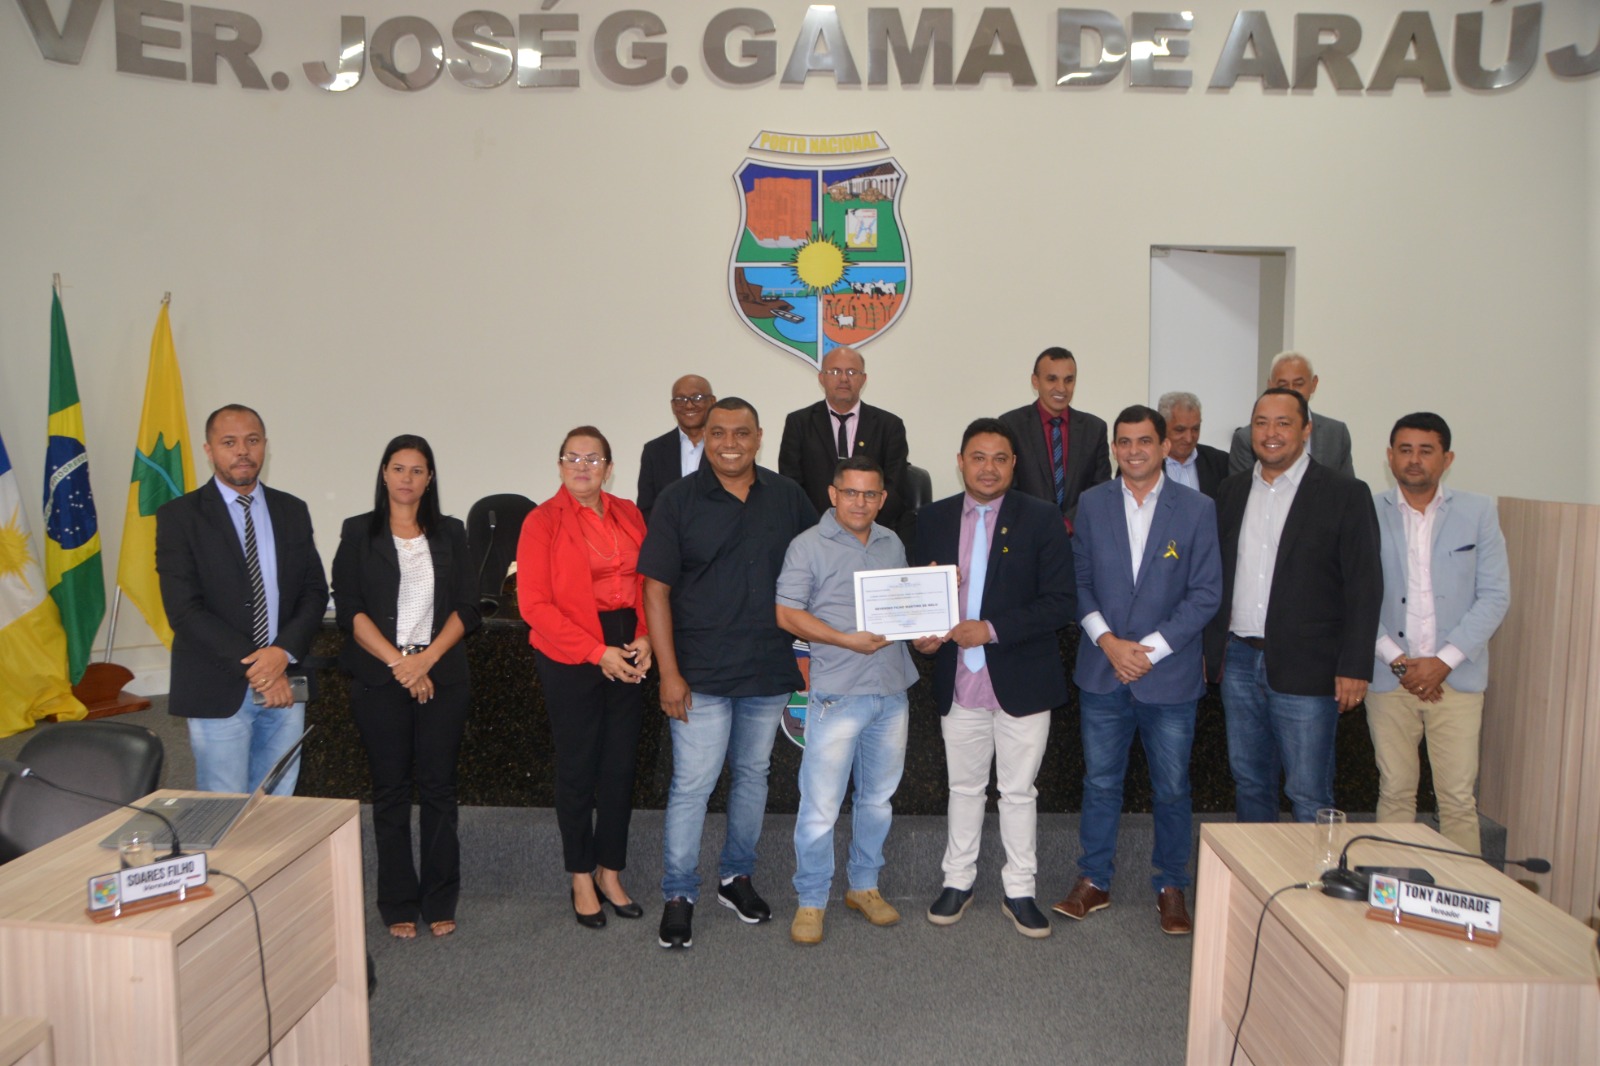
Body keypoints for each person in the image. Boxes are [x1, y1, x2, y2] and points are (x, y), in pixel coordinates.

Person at [639, 398, 817, 949]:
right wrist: (669, 674)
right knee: (692, 785)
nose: (730, 443)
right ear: (705, 438)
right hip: (699, 673)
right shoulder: (677, 500)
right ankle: (678, 893)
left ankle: (736, 877)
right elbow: (655, 591)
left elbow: (822, 564)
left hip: (766, 667)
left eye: (742, 433)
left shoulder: (788, 496)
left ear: (759, 437)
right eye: (719, 433)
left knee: (753, 776)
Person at [1051, 406, 1221, 936]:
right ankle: (1094, 880)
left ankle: (1171, 885)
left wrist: (1148, 651)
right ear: (1114, 449)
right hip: (1103, 670)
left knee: (1171, 788)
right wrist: (1108, 643)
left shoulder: (1196, 508)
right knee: (1101, 783)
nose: (1133, 450)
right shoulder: (1093, 502)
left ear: (1165, 446)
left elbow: (1206, 593)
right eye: (1123, 442)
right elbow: (1078, 581)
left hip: (1167, 675)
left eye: (1144, 440)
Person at [912, 417, 1076, 938]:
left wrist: (990, 629)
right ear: (960, 462)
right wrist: (922, 636)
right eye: (978, 458)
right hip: (958, 680)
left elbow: (1061, 602)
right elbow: (917, 597)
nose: (989, 468)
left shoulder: (1042, 518)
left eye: (1000, 459)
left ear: (1014, 464)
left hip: (1022, 679)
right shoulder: (930, 519)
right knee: (963, 787)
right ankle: (957, 881)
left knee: (1019, 791)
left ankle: (1020, 890)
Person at [1207, 389, 1382, 822]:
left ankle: (1315, 870)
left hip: (1310, 667)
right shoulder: (1230, 491)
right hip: (1238, 661)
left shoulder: (1344, 493)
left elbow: (1364, 585)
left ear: (1306, 430)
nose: (1271, 432)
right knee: (1249, 782)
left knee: (1308, 793)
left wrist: (1355, 666)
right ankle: (1255, 870)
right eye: (1261, 423)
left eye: (1283, 423)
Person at [332, 435, 479, 940]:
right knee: (390, 791)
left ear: (429, 478)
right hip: (381, 675)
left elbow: (468, 607)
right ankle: (396, 899)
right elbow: (349, 609)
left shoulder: (451, 532)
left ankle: (440, 897)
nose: (407, 479)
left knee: (439, 789)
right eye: (398, 468)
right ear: (384, 473)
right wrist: (401, 664)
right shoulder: (358, 531)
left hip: (441, 675)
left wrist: (426, 661)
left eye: (417, 470)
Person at [775, 456, 918, 945]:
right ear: (833, 495)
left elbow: (903, 608)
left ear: (882, 499)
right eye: (851, 492)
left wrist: (931, 606)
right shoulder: (807, 545)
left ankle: (864, 886)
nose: (860, 502)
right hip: (837, 693)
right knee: (820, 806)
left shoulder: (891, 542)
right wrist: (844, 640)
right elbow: (787, 614)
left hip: (892, 691)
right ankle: (812, 900)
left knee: (877, 800)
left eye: (870, 494)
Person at [518, 427, 653, 929]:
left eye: (593, 459)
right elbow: (534, 605)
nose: (582, 466)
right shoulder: (541, 521)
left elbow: (649, 582)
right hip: (570, 651)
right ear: (559, 466)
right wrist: (597, 653)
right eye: (572, 458)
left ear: (609, 468)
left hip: (628, 644)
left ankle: (609, 872)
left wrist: (647, 637)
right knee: (578, 768)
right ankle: (580, 874)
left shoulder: (629, 514)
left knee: (619, 766)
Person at [156, 404, 326, 796]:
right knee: (225, 804)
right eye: (229, 443)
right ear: (209, 450)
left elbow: (314, 591)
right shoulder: (179, 517)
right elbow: (184, 609)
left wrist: (281, 653)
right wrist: (260, 666)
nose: (243, 452)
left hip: (286, 680)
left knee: (278, 803)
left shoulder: (292, 510)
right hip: (217, 683)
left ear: (265, 445)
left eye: (252, 440)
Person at [1369, 413, 1510, 854]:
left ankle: (1462, 893)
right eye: (1405, 450)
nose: (1414, 459)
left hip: (1457, 680)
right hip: (1389, 678)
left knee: (1458, 801)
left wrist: (1442, 662)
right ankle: (1390, 886)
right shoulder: (1366, 511)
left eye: (1426, 450)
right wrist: (1400, 662)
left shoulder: (1478, 511)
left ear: (1446, 459)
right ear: (1390, 457)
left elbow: (1494, 596)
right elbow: (1354, 597)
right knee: (1395, 793)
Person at [778, 346, 911, 542]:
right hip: (816, 536)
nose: (843, 379)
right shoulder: (799, 423)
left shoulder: (889, 426)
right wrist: (822, 531)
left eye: (851, 372)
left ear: (863, 379)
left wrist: (862, 526)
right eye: (834, 372)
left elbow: (895, 487)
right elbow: (791, 486)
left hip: (872, 535)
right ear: (821, 378)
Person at [997, 347, 1111, 529]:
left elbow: (1101, 489)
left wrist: (1068, 522)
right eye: (1052, 379)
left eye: (1068, 380)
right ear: (1035, 381)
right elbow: (1007, 486)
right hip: (1028, 534)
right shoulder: (1011, 425)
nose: (1061, 388)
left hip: (1079, 535)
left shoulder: (1094, 429)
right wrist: (1044, 524)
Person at [1227, 352, 1354, 478]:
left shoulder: (1336, 433)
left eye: (1298, 384)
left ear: (1313, 384)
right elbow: (1243, 487)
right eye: (1283, 385)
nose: (1291, 390)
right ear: (1270, 385)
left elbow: (1348, 487)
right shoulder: (1246, 438)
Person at [637, 375, 716, 523]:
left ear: (712, 402)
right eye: (680, 399)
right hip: (668, 535)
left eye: (697, 397)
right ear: (673, 406)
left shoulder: (724, 447)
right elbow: (646, 509)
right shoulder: (654, 451)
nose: (689, 405)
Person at [1158, 391, 1229, 498]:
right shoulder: (1149, 462)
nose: (1189, 438)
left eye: (1195, 429)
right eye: (1180, 430)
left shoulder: (1220, 463)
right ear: (1162, 427)